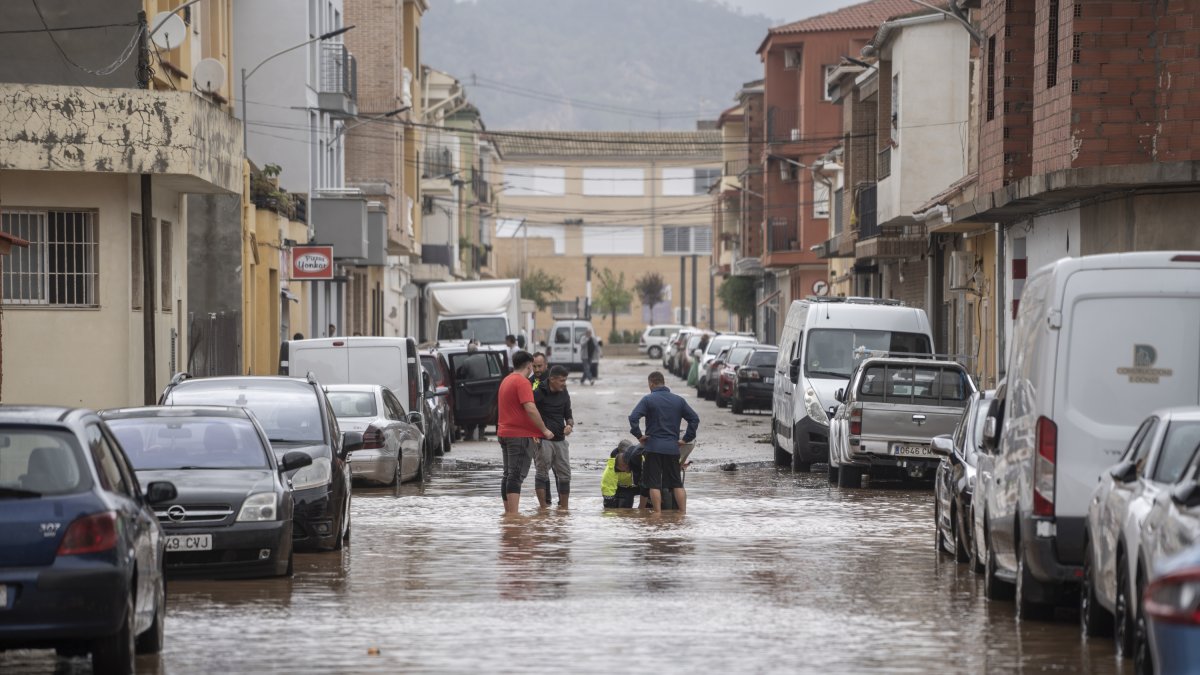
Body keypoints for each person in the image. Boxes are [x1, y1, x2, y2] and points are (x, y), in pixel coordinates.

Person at [628, 371, 699, 514]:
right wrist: (685, 439)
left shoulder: (648, 400)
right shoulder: (678, 400)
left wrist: (639, 436)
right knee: (676, 483)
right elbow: (694, 419)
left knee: (654, 483)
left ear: (651, 383)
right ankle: (682, 514)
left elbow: (633, 417)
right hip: (672, 449)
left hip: (653, 448)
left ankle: (658, 514)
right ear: (663, 382)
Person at [496, 350, 555, 515]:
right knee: (516, 476)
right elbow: (530, 407)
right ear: (529, 365)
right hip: (518, 436)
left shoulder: (506, 380)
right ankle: (513, 516)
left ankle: (507, 514)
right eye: (532, 366)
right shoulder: (522, 382)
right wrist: (544, 429)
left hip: (504, 433)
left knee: (508, 474)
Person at [533, 365, 573, 509]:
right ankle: (543, 509)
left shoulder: (564, 392)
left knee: (565, 474)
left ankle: (564, 509)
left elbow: (568, 414)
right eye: (561, 380)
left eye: (565, 380)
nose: (564, 383)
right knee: (542, 473)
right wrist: (534, 433)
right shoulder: (539, 392)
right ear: (552, 379)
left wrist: (569, 425)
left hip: (560, 440)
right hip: (543, 440)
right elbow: (529, 413)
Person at [602, 440, 643, 508]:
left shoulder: (640, 459)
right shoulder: (612, 467)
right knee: (623, 507)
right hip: (623, 488)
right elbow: (608, 490)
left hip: (640, 485)